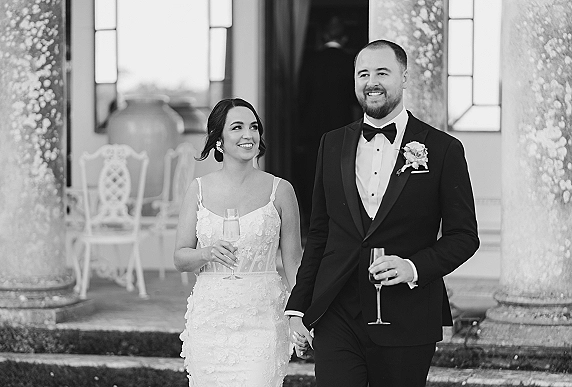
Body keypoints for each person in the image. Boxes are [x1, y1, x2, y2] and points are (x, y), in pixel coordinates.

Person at [287, 40, 480, 387]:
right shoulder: (331, 143)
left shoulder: (443, 149)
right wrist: (298, 306)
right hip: (337, 312)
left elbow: (464, 236)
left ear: (404, 77)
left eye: (382, 72)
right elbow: (320, 232)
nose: (371, 81)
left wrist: (413, 267)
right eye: (363, 73)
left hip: (407, 316)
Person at [174, 98, 303, 386]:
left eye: (254, 127)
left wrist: (300, 313)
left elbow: (294, 263)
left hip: (263, 318)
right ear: (218, 139)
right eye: (237, 127)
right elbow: (180, 257)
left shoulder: (281, 191)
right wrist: (206, 253)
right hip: (210, 319)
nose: (249, 135)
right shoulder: (198, 190)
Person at [293, 16, 360, 232]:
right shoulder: (350, 62)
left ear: (323, 36)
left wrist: (299, 131)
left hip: (313, 131)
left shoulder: (311, 61)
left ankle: (314, 225)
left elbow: (300, 99)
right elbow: (355, 101)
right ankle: (338, 225)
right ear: (345, 37)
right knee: (340, 176)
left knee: (313, 176)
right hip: (342, 128)